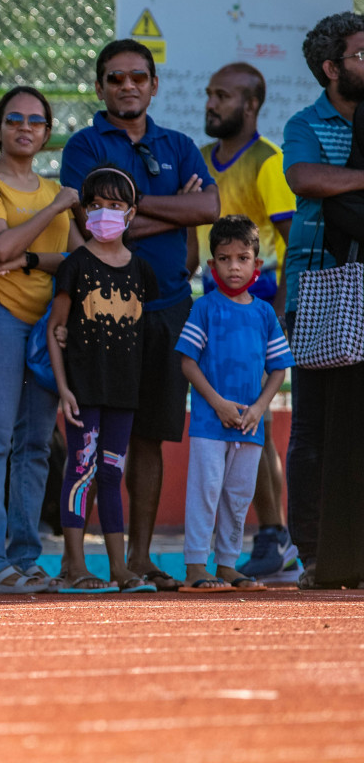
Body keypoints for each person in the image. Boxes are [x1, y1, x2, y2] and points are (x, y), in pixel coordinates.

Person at [60, 39, 219, 592]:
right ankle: (83, 562)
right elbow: (89, 226)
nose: (127, 86)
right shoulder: (83, 145)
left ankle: (142, 558)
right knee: (93, 444)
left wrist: (126, 206)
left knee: (149, 436)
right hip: (102, 319)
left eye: (138, 77)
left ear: (154, 85)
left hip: (170, 310)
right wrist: (170, 208)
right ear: (100, 86)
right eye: (115, 78)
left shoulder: (179, 144)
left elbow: (208, 209)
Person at [0, 86, 81, 593]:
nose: (25, 127)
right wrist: (53, 210)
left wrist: (28, 259)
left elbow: (77, 262)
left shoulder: (55, 190)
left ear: (47, 133)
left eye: (35, 121)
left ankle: (25, 557)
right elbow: (0, 243)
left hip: (46, 326)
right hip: (1, 318)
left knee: (34, 444)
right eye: (14, 119)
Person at [186, 63, 301, 584]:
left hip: (262, 305)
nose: (211, 103)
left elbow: (290, 241)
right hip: (216, 307)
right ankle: (259, 541)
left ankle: (274, 534)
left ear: (251, 105)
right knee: (234, 423)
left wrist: (271, 315)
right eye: (210, 94)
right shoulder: (203, 161)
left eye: (223, 96)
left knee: (258, 427)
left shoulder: (269, 162)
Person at [45, 166, 158, 594]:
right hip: (84, 390)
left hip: (123, 394)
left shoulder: (141, 272)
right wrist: (63, 388)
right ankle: (74, 564)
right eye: (95, 206)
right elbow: (55, 331)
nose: (105, 214)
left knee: (111, 473)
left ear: (131, 214)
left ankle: (118, 567)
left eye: (115, 206)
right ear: (83, 213)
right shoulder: (75, 266)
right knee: (80, 470)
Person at [281, 11, 364, 583]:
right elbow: (305, 179)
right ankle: (312, 552)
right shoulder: (306, 123)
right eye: (361, 55)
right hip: (319, 285)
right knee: (313, 424)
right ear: (332, 68)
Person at [175, 215, 293, 592]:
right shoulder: (204, 308)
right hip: (211, 423)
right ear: (212, 266)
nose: (234, 266)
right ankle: (196, 565)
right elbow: (187, 362)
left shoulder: (264, 314)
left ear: (256, 264)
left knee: (239, 495)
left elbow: (278, 369)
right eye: (224, 259)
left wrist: (259, 407)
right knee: (206, 490)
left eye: (242, 258)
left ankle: (227, 564)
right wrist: (218, 404)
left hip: (251, 425)